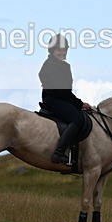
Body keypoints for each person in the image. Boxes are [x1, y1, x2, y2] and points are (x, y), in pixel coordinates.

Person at [38, 33, 92, 165]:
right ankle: (59, 152)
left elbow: (66, 91)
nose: (62, 52)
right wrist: (80, 104)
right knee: (77, 119)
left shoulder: (64, 66)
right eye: (59, 50)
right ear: (52, 50)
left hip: (62, 98)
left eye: (64, 50)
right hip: (54, 99)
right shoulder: (50, 65)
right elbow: (63, 92)